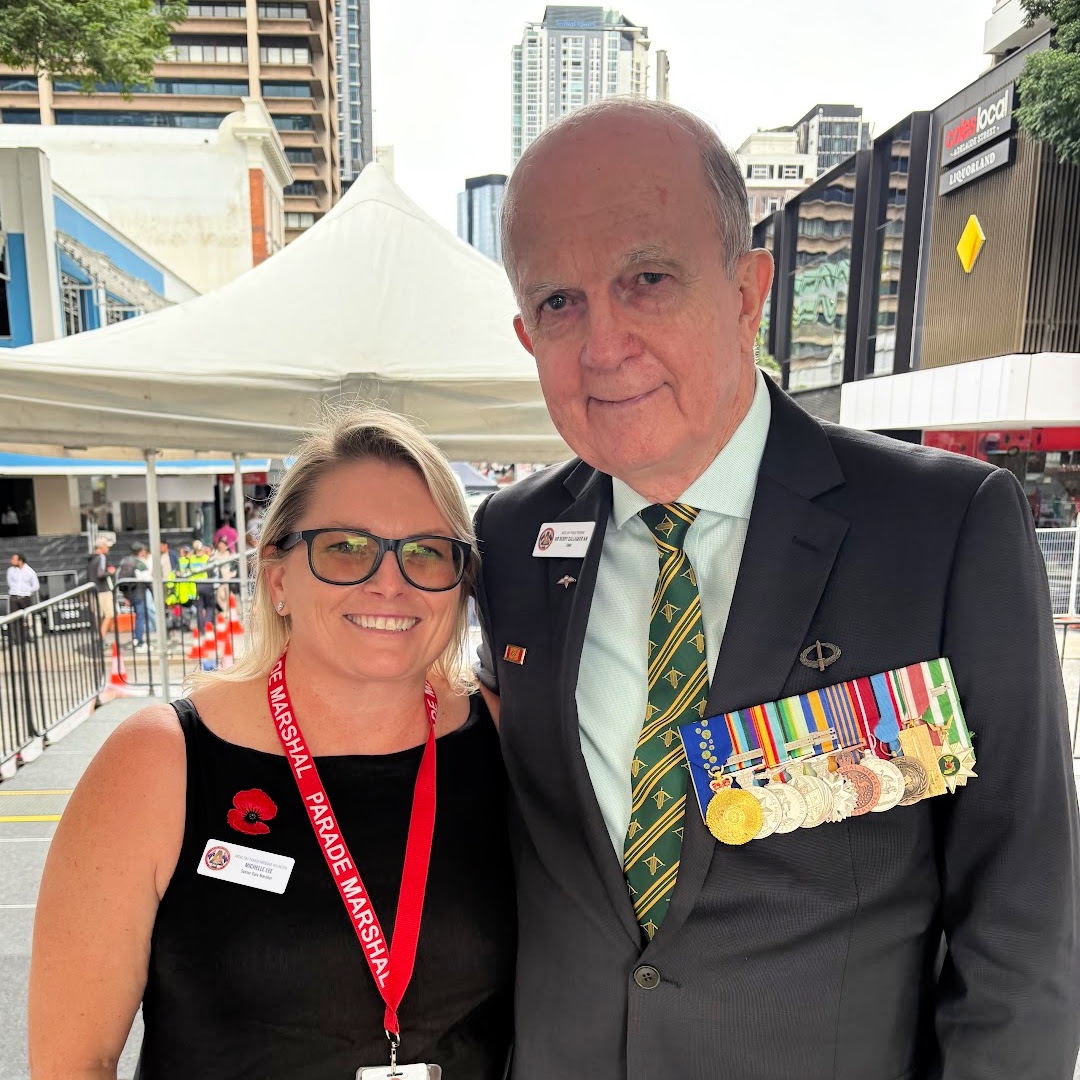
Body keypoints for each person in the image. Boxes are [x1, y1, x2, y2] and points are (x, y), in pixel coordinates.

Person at [473, 98, 1080, 1079]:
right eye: (559, 303)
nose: (603, 345)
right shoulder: (510, 540)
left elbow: (1022, 915)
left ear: (747, 291)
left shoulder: (940, 528)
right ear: (525, 333)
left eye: (647, 280)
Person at [30, 406, 514, 1079]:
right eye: (346, 546)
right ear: (278, 577)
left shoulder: (502, 740)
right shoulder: (161, 759)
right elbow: (74, 1061)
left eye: (426, 551)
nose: (390, 581)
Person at [86, 538, 115, 639]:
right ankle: (101, 637)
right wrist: (110, 572)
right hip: (103, 590)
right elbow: (100, 574)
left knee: (98, 615)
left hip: (93, 590)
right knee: (108, 614)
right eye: (107, 546)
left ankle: (99, 637)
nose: (108, 549)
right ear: (101, 547)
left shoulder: (91, 558)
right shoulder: (102, 558)